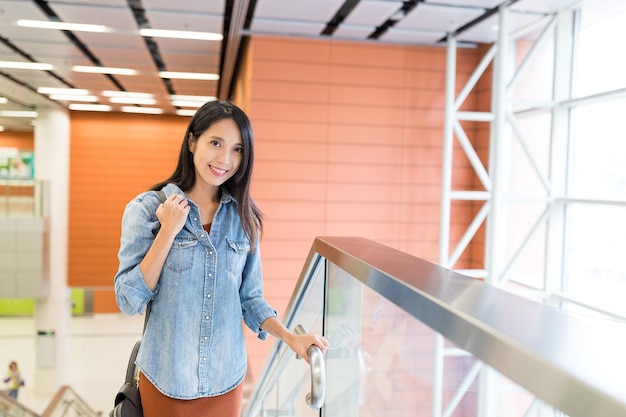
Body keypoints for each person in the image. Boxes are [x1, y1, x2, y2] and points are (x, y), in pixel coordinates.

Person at [114, 100, 329, 417]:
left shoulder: (244, 218)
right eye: (215, 143)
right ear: (192, 142)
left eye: (238, 149)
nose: (225, 159)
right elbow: (127, 299)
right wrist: (167, 232)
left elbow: (251, 298)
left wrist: (290, 337)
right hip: (166, 379)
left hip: (226, 380)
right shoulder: (147, 210)